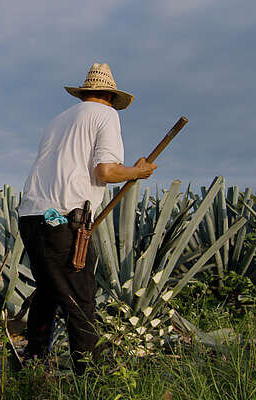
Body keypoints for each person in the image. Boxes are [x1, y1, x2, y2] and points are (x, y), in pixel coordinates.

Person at [17, 62, 157, 374]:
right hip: (65, 219)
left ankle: (34, 365)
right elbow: (105, 171)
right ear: (110, 96)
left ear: (86, 93)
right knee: (80, 298)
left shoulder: (58, 121)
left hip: (31, 215)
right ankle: (93, 376)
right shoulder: (106, 115)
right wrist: (139, 172)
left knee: (49, 290)